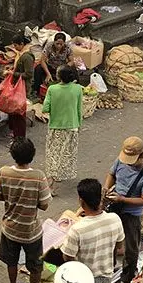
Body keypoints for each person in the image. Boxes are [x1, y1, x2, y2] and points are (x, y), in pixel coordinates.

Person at [0, 138, 51, 283]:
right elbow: (45, 204)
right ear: (32, 155)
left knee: (12, 260)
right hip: (31, 232)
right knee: (35, 265)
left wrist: (11, 199)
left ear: (13, 155)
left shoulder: (4, 172)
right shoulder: (38, 176)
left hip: (10, 228)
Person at [103, 136, 143, 283]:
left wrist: (123, 199)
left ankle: (127, 278)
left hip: (131, 213)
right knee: (111, 240)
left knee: (131, 247)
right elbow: (111, 174)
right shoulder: (121, 161)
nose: (127, 162)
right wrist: (107, 189)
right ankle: (110, 267)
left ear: (142, 155)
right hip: (115, 207)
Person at [60, 179, 125, 283]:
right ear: (100, 198)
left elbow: (67, 256)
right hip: (107, 274)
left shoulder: (77, 229)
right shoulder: (115, 219)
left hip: (87, 280)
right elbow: (119, 245)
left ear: (81, 201)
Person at [43, 65, 83, 196]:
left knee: (54, 154)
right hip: (72, 127)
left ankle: (51, 183)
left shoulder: (52, 89)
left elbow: (45, 108)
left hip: (56, 126)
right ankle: (57, 178)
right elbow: (79, 109)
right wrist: (79, 125)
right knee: (65, 155)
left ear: (59, 76)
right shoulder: (77, 89)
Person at [7, 35, 35, 140]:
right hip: (18, 86)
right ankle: (15, 133)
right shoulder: (21, 55)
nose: (14, 48)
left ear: (22, 44)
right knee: (15, 110)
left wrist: (14, 73)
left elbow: (29, 74)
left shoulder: (26, 57)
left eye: (15, 45)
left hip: (22, 87)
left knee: (20, 113)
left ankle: (20, 136)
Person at [33, 32, 73, 97]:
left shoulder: (67, 48)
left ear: (64, 43)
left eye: (61, 44)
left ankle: (73, 88)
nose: (59, 46)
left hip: (61, 67)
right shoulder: (49, 46)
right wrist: (48, 74)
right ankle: (36, 91)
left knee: (73, 70)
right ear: (54, 42)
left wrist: (63, 68)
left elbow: (71, 61)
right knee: (38, 68)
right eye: (57, 43)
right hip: (50, 66)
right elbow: (42, 60)